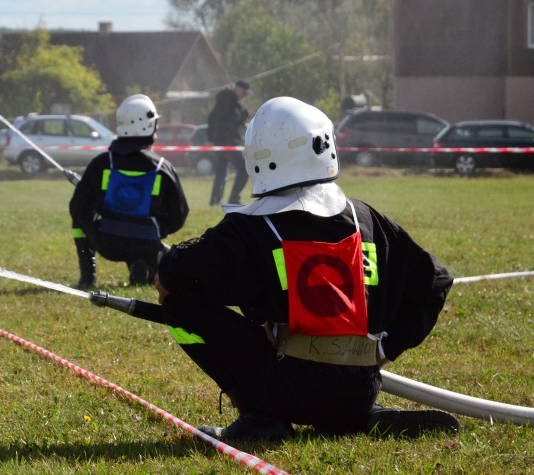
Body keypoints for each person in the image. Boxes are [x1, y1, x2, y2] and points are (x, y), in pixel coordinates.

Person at [154, 96, 459, 441]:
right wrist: (385, 350)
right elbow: (436, 280)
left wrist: (170, 274)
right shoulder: (367, 219)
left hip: (289, 388)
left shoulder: (252, 226)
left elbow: (176, 273)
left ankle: (260, 418)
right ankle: (357, 417)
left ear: (259, 154)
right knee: (337, 388)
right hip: (361, 385)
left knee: (178, 305)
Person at [70, 94, 189, 289]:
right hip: (148, 242)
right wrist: (158, 231)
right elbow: (179, 215)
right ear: (148, 126)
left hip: (108, 243)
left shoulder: (102, 163)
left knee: (78, 215)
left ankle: (87, 276)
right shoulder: (163, 167)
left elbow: (77, 207)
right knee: (150, 248)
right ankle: (144, 261)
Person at [207, 80, 251, 206]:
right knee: (244, 170)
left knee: (221, 172)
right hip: (229, 143)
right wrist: (243, 116)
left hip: (220, 143)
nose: (245, 96)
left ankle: (215, 200)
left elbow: (211, 119)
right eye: (245, 93)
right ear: (238, 89)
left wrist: (211, 138)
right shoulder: (230, 104)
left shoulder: (224, 102)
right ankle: (234, 198)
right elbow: (231, 123)